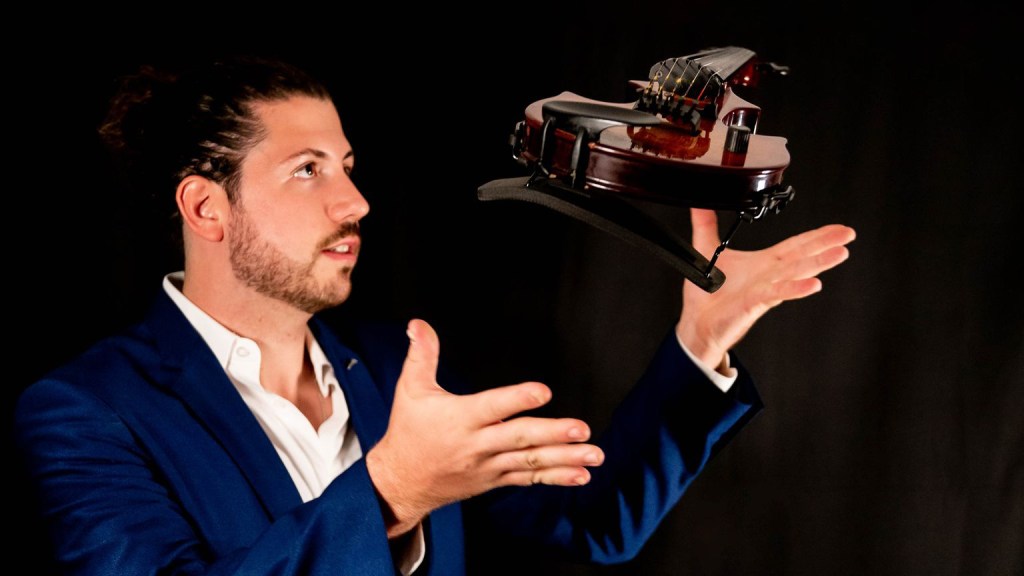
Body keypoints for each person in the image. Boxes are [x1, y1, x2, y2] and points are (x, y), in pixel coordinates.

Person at [13, 55, 856, 575]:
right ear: (206, 208)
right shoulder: (86, 413)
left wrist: (700, 343)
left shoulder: (397, 373)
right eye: (307, 170)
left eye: (347, 165)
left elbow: (595, 526)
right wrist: (390, 494)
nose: (356, 201)